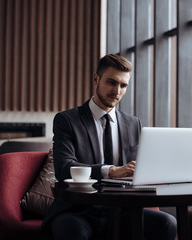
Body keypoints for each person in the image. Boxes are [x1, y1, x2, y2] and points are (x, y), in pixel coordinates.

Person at [42, 54, 177, 240]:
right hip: (77, 211)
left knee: (167, 223)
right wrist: (111, 171)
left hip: (122, 210)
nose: (117, 91)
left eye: (123, 85)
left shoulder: (133, 124)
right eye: (112, 82)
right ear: (96, 79)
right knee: (72, 231)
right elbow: (64, 169)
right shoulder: (67, 120)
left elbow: (138, 168)